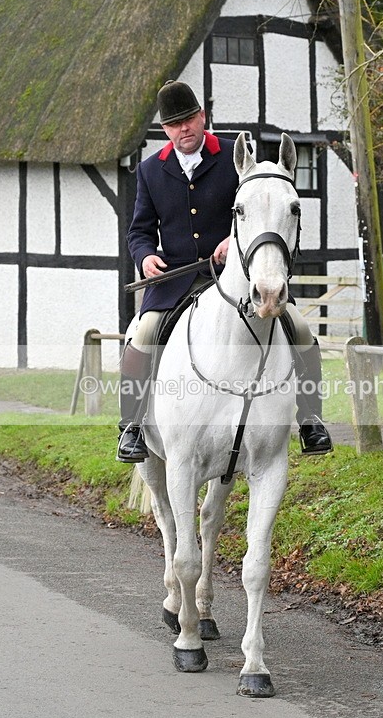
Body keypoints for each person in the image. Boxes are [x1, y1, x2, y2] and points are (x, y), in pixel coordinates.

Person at [117, 80, 333, 462]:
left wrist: (236, 242)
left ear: (203, 117)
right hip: (176, 278)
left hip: (238, 273)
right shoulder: (150, 171)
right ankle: (131, 426)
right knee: (144, 333)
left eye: (189, 119)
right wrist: (145, 255)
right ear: (165, 130)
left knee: (299, 327)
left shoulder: (236, 158)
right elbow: (139, 229)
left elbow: (261, 206)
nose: (183, 129)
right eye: (173, 124)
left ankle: (310, 419)